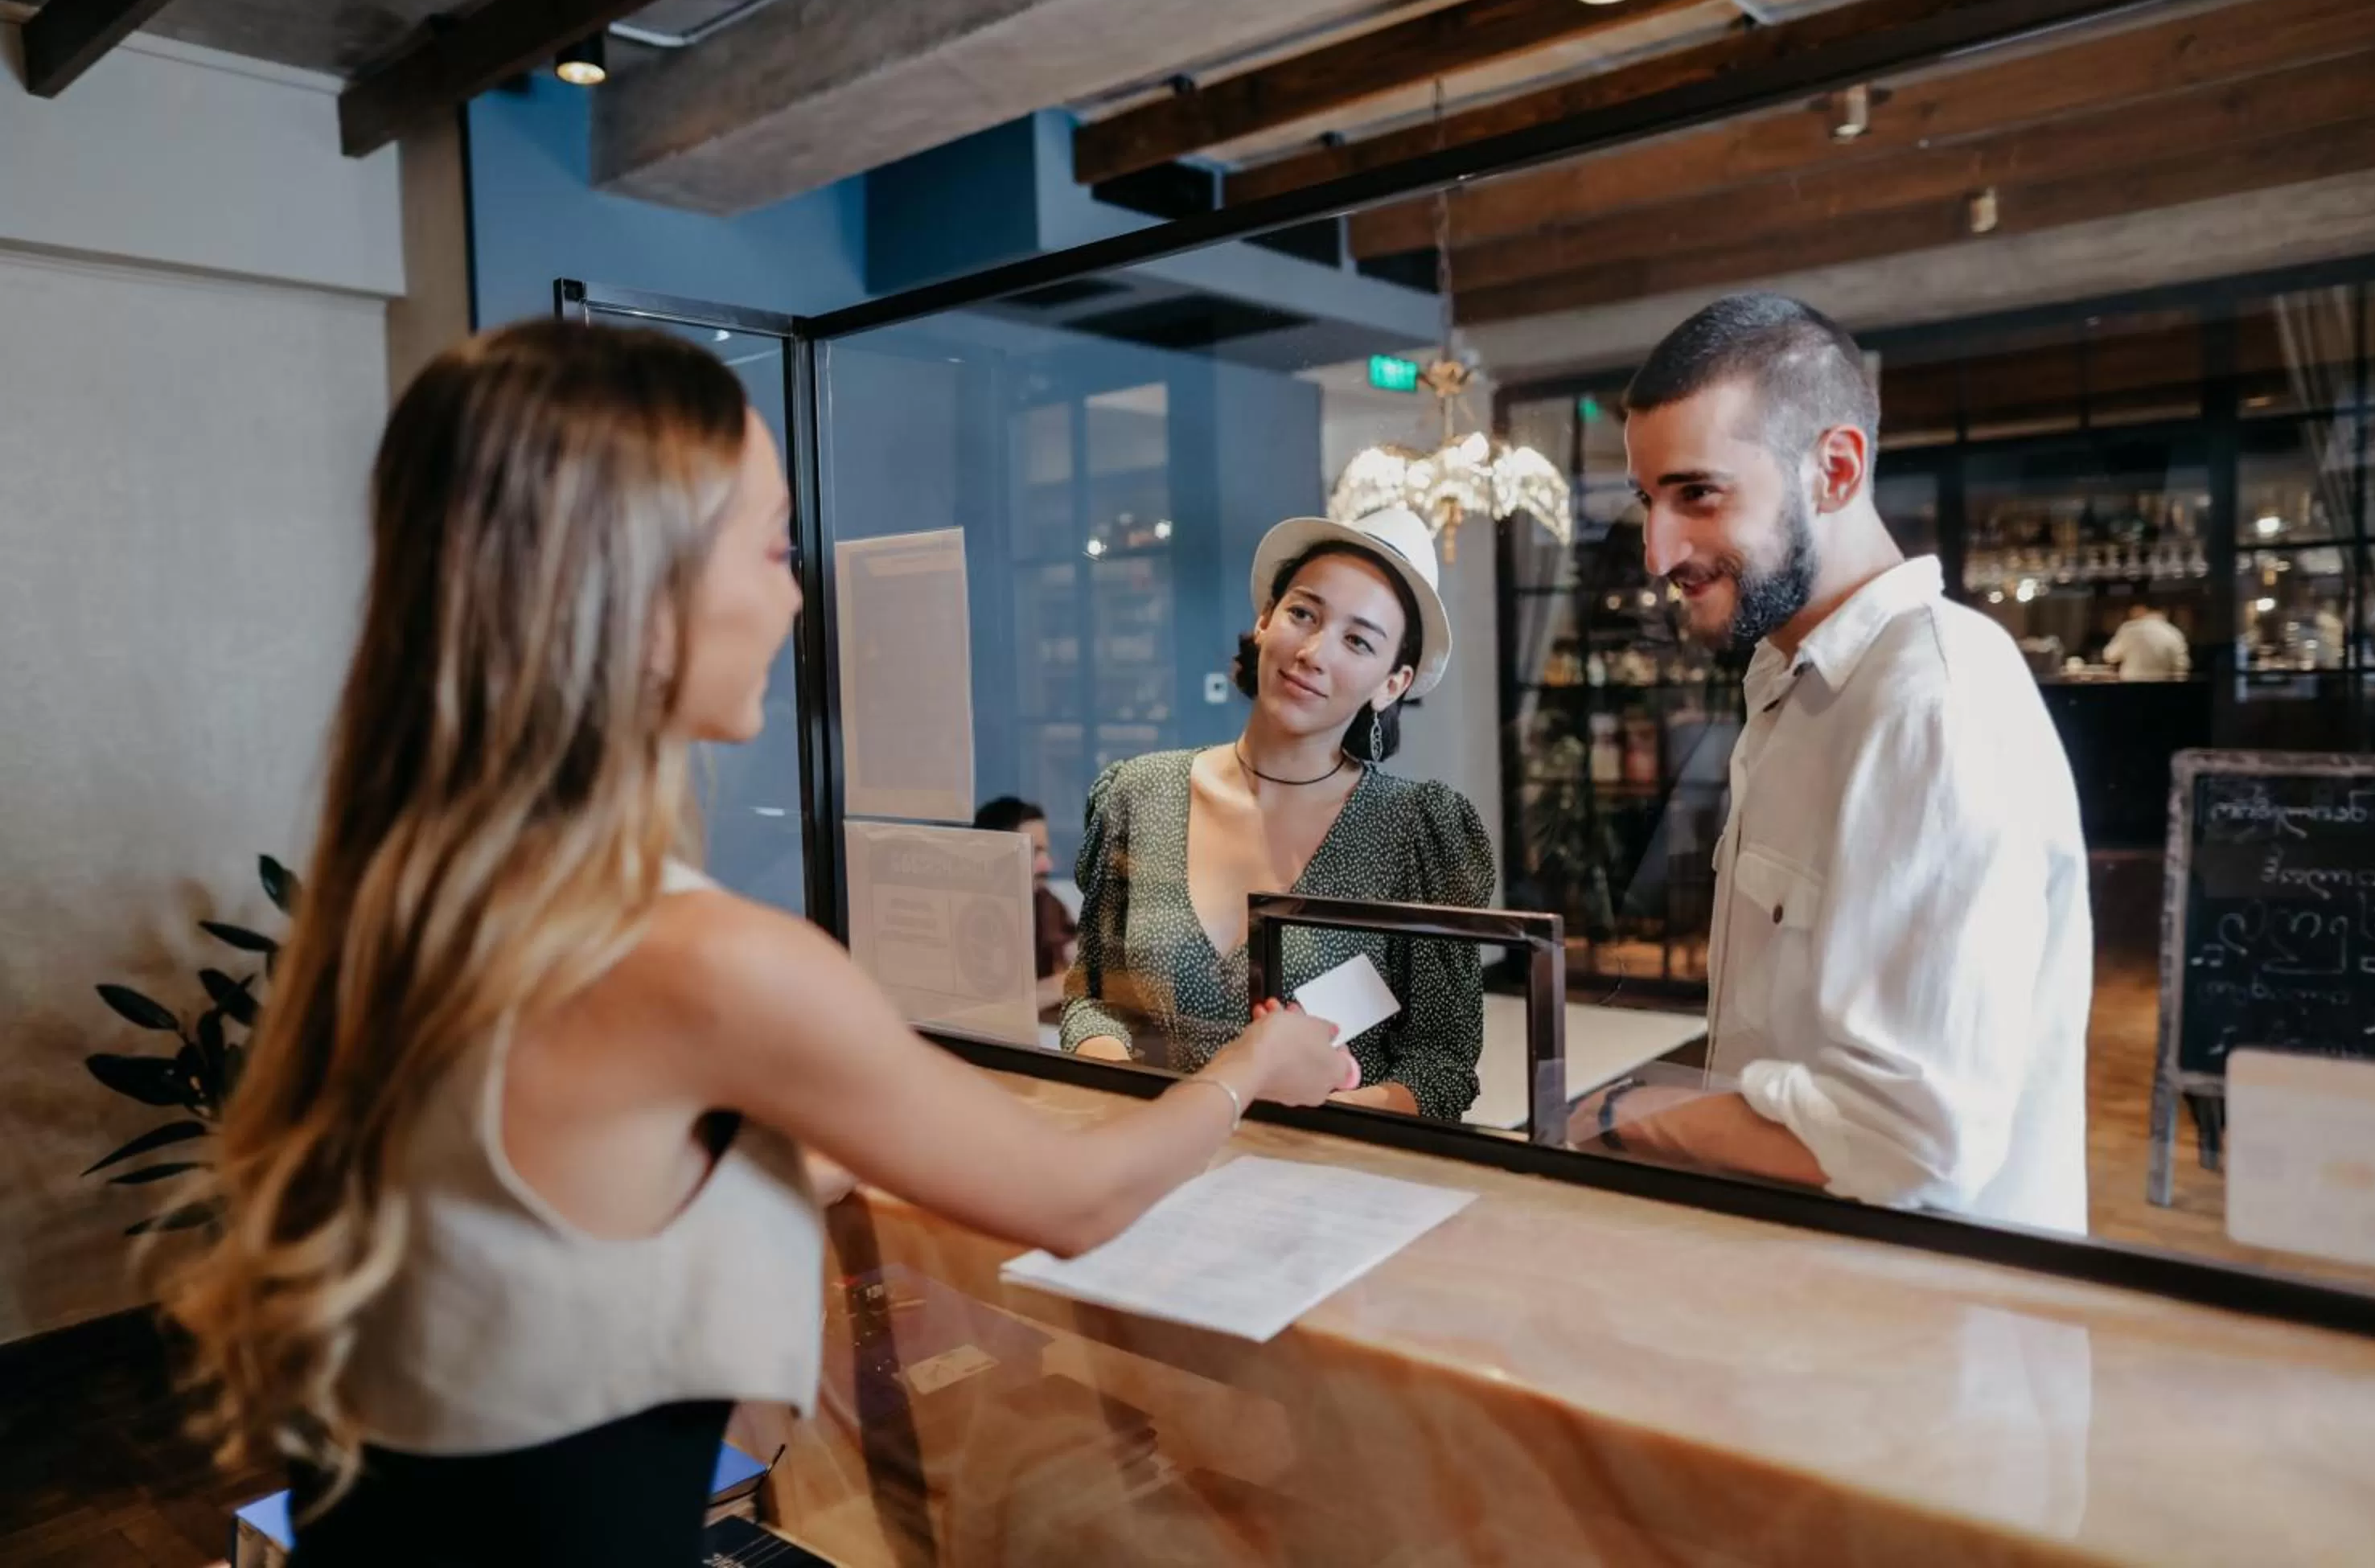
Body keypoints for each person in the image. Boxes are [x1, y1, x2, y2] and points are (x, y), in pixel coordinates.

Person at [159, 321, 1352, 1566]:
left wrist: (816, 1157)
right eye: (777, 546)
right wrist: (1254, 1070)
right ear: (634, 583)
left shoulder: (411, 898)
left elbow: (569, 1219)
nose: (796, 591)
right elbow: (1080, 1199)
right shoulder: (696, 958)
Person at [1595, 293, 2092, 1234]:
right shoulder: (1790, 678)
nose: (1659, 550)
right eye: (1647, 499)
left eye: (1697, 493)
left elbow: (1913, 1142)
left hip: (1927, 1328)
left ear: (1834, 469)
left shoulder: (1932, 700)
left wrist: (1624, 1114)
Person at [1060, 506, 1496, 1122]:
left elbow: (1438, 1066)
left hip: (1320, 1177)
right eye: (1303, 614)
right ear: (1265, 620)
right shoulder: (1141, 794)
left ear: (1392, 685)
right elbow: (1094, 1000)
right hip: (1149, 1155)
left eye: (1358, 641)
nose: (1315, 652)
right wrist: (1146, 1101)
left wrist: (1304, 1113)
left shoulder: (1416, 829)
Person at [974, 794, 1078, 1010]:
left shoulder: (1044, 901)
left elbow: (1073, 950)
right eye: (1035, 852)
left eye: (1046, 851)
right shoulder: (972, 919)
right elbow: (995, 1009)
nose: (1048, 865)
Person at [2102, 601, 2191, 681]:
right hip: (2162, 691)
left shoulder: (2130, 629)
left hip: (2131, 688)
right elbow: (2182, 668)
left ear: (2141, 609)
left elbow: (2109, 656)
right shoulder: (2175, 633)